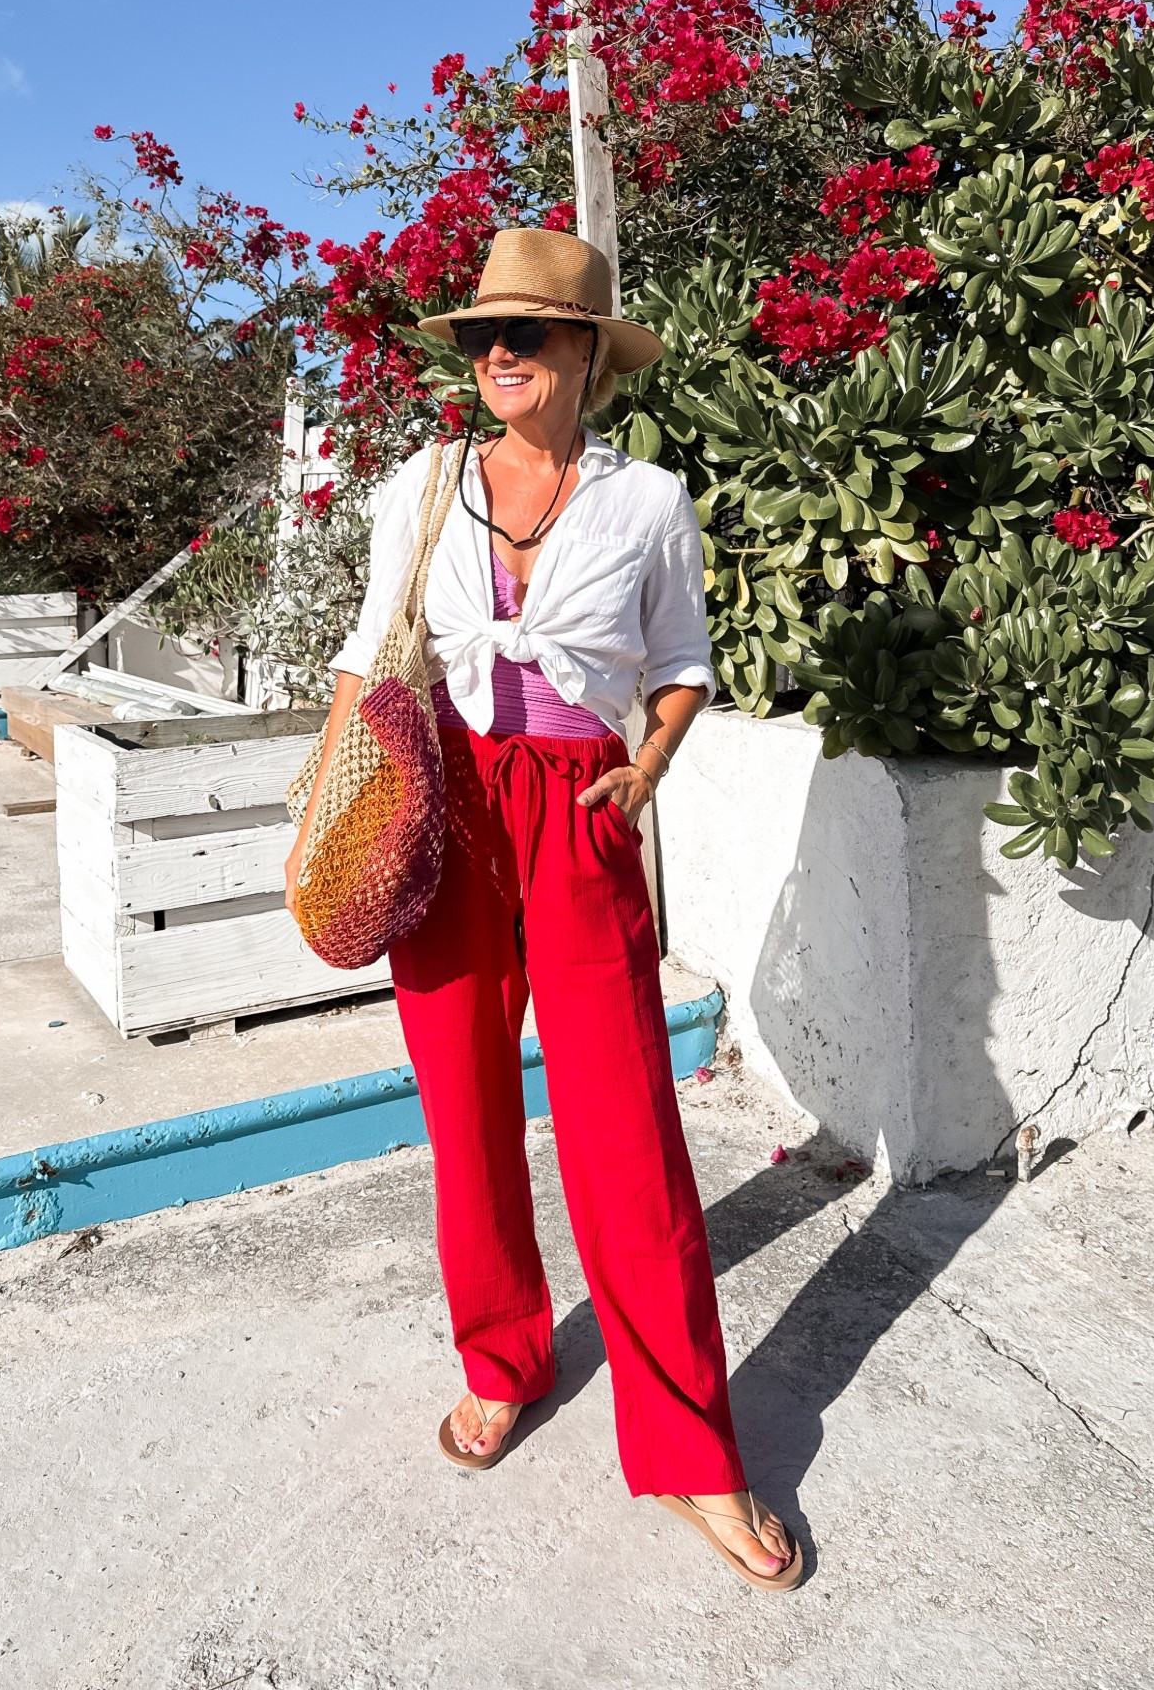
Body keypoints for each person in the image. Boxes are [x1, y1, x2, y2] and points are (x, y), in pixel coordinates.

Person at [286, 225, 801, 1591]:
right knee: (461, 1104)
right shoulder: (427, 483)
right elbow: (366, 651)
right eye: (479, 338)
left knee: (623, 1123)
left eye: (525, 336)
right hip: (444, 799)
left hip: (576, 805)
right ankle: (503, 1356)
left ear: (584, 354)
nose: (496, 355)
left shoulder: (649, 503)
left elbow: (682, 662)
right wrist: (330, 805)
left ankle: (690, 1448)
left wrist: (642, 766)